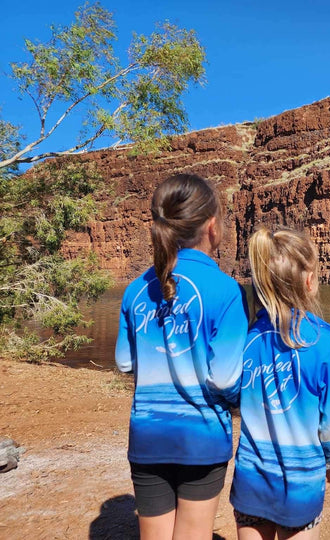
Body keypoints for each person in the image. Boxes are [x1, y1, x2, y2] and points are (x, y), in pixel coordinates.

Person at [115, 174, 248, 540]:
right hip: (202, 439)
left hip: (147, 437)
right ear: (211, 226)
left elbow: (125, 363)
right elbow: (224, 379)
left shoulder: (134, 290)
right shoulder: (226, 290)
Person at [230, 227, 330, 540]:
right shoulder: (327, 346)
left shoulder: (248, 340)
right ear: (309, 281)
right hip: (301, 485)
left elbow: (231, 392)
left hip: (250, 480)